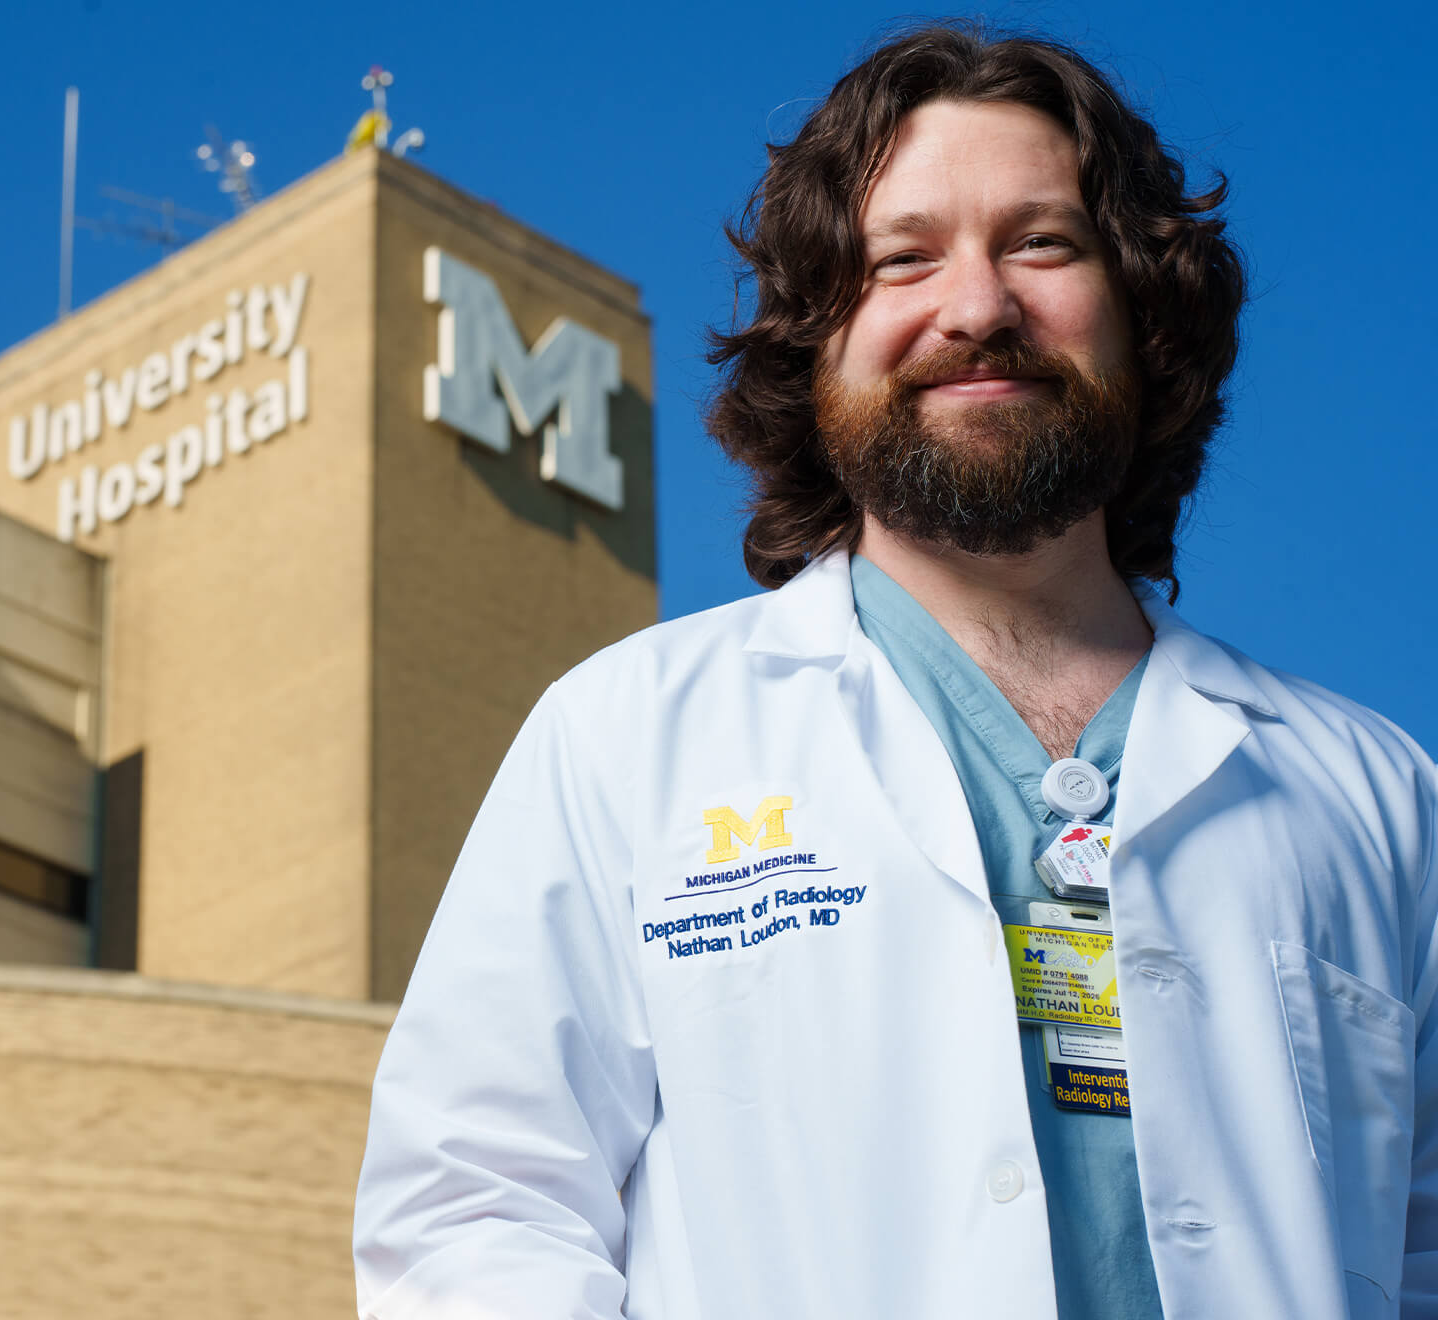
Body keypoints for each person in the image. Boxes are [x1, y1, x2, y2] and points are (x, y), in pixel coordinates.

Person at [353, 24, 1436, 1320]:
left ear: (1145, 317)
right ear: (819, 341)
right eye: (901, 260)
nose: (976, 309)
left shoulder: (1377, 797)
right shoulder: (626, 741)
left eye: (1042, 244)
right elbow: (476, 1217)